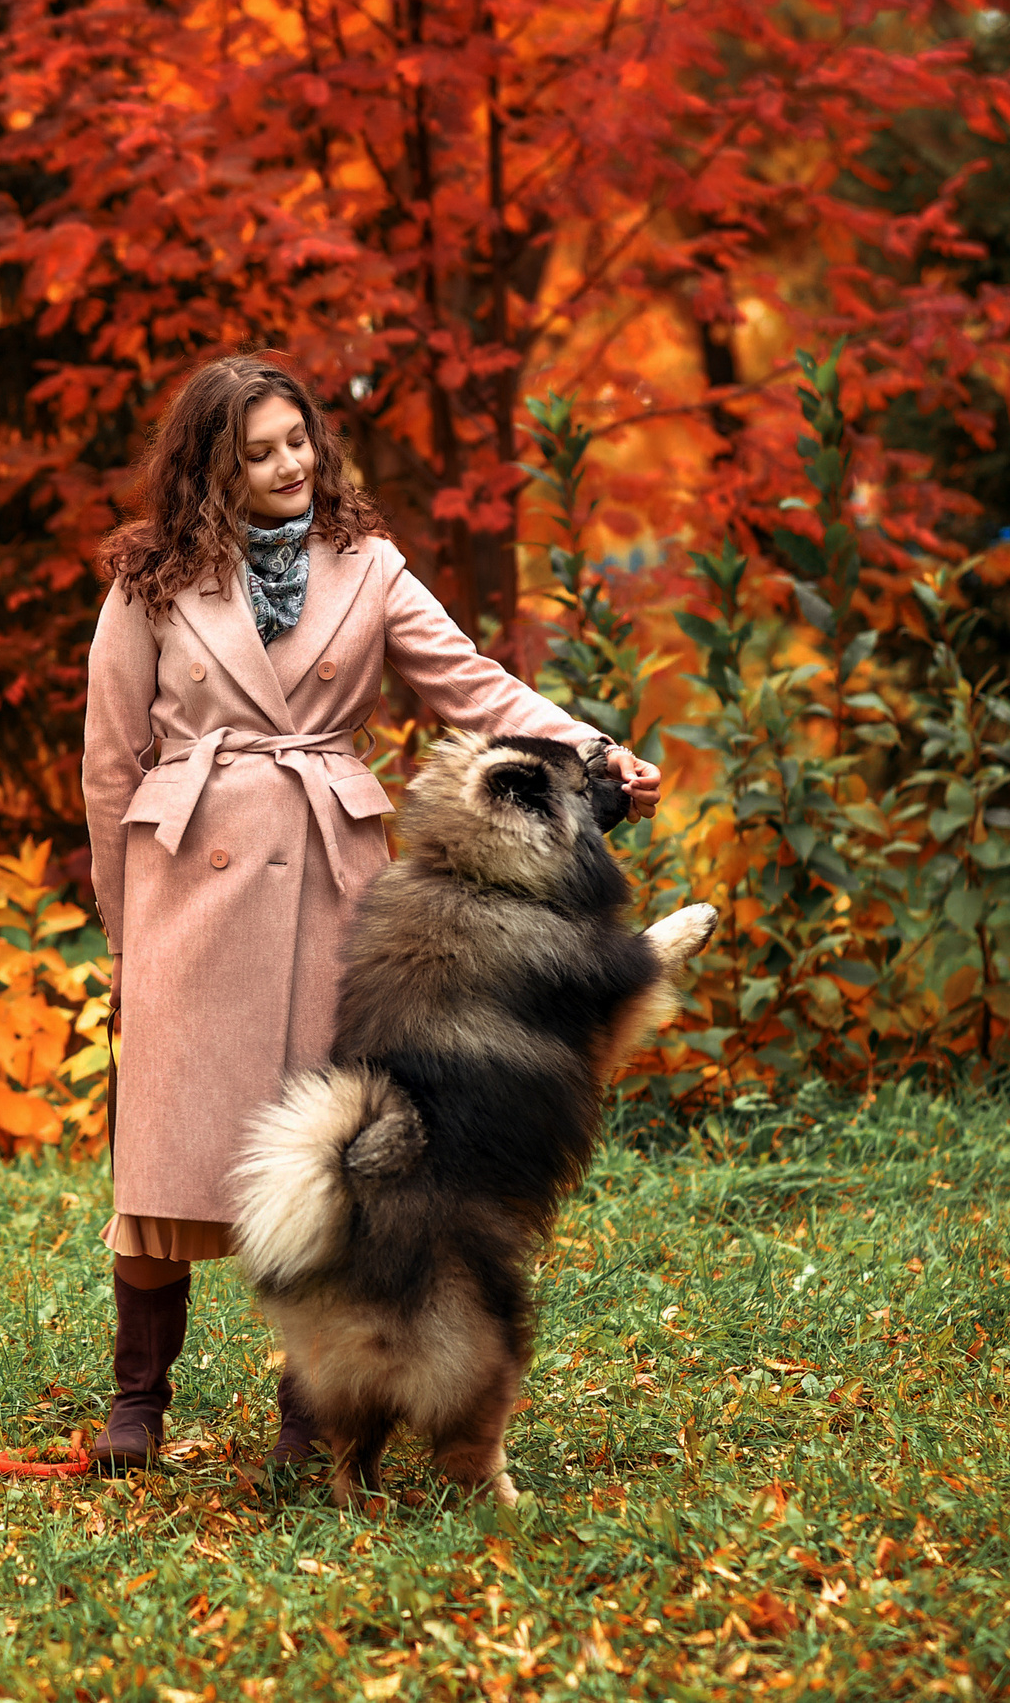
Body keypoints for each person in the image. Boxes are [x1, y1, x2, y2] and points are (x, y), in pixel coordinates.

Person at [79, 353, 663, 1470]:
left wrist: (589, 749)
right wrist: (122, 924)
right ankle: (137, 1403)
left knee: (329, 1153)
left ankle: (312, 1411)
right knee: (163, 1151)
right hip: (182, 886)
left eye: (297, 439)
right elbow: (111, 763)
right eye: (257, 452)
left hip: (323, 876)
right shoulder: (150, 576)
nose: (288, 463)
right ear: (212, 467)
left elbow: (474, 685)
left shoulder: (370, 565)